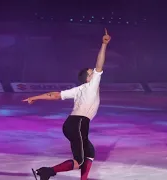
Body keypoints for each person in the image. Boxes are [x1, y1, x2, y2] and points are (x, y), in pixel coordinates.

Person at [23, 28, 111, 180]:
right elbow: (99, 63)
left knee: (89, 152)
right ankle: (47, 172)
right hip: (78, 123)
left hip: (74, 124)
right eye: (93, 73)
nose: (96, 73)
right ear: (88, 78)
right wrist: (104, 45)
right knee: (80, 160)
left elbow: (56, 95)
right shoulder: (90, 85)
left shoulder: (79, 89)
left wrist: (36, 97)